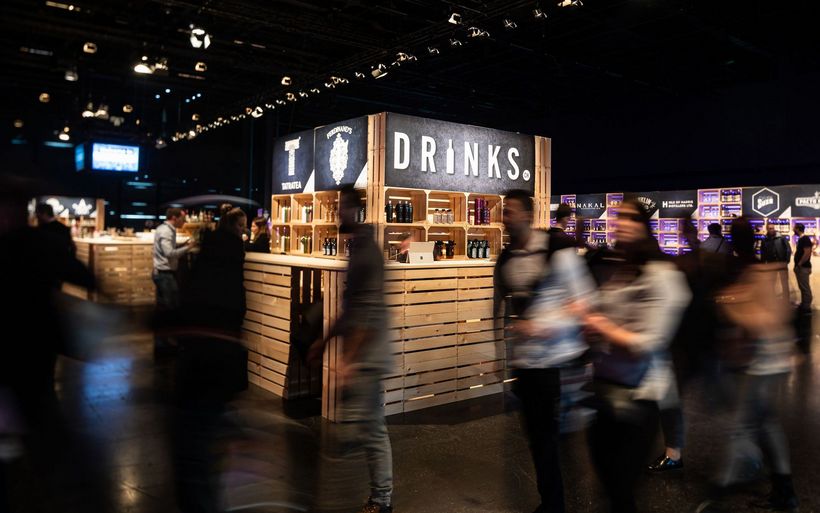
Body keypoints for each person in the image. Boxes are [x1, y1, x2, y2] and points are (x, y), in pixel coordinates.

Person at [580, 199, 690, 513]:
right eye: (619, 217)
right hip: (605, 393)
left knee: (620, 489)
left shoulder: (661, 275)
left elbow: (646, 342)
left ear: (644, 226)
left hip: (637, 399)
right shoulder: (620, 272)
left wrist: (596, 323)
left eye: (631, 218)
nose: (622, 223)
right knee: (609, 485)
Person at [495, 189, 595, 513]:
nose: (505, 217)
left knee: (558, 441)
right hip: (527, 365)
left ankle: (562, 502)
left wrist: (544, 325)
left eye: (511, 211)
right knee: (540, 440)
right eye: (504, 211)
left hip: (559, 364)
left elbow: (584, 302)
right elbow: (504, 308)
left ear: (528, 214)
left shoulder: (556, 251)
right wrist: (501, 354)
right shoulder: (507, 259)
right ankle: (552, 502)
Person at [696, 217, 799, 512]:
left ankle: (719, 491)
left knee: (742, 424)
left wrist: (732, 306)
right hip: (767, 361)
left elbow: (764, 319)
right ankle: (784, 491)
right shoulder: (762, 270)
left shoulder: (753, 272)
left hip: (762, 363)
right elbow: (781, 311)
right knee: (765, 424)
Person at [308, 184, 393, 513]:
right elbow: (350, 308)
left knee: (370, 430)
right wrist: (325, 340)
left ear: (355, 211)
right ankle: (375, 495)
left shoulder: (367, 251)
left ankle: (381, 499)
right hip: (362, 356)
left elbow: (367, 312)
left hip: (367, 357)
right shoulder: (358, 248)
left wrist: (349, 359)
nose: (337, 212)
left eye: (342, 206)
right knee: (364, 428)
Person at [172, 207, 248, 513]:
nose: (244, 231)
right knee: (205, 451)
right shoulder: (232, 266)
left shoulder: (208, 264)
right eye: (241, 226)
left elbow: (187, 310)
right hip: (220, 369)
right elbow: (236, 312)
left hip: (198, 369)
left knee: (193, 456)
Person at [152, 207, 195, 354]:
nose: (184, 221)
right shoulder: (166, 231)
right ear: (174, 218)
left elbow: (168, 249)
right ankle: (169, 343)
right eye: (182, 218)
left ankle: (161, 343)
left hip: (161, 273)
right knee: (172, 308)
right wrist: (189, 247)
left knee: (163, 309)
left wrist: (182, 245)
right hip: (165, 274)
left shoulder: (165, 229)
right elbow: (169, 253)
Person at [761, 224, 792, 298]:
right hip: (771, 264)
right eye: (770, 228)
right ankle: (772, 298)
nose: (772, 230)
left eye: (772, 228)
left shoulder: (781, 237)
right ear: (767, 229)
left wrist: (787, 260)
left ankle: (786, 299)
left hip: (782, 263)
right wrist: (763, 264)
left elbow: (788, 249)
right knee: (772, 283)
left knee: (784, 282)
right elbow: (763, 252)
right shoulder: (765, 240)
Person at [793, 223, 813, 312]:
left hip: (803, 267)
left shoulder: (805, 239)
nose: (793, 230)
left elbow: (807, 253)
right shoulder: (802, 239)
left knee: (805, 288)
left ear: (797, 229)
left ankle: (806, 307)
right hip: (802, 267)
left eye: (794, 228)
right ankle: (804, 304)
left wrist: (799, 264)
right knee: (802, 287)